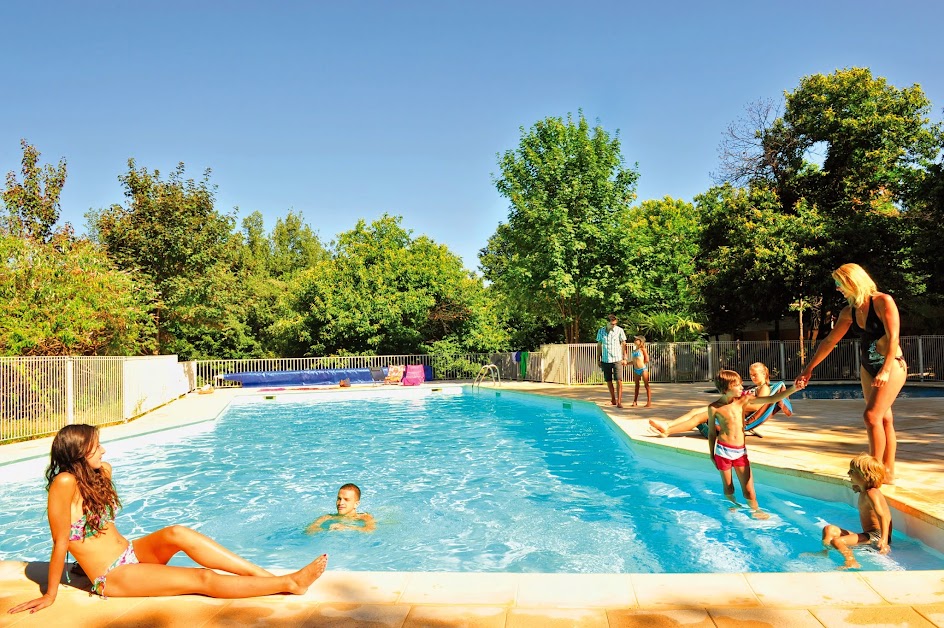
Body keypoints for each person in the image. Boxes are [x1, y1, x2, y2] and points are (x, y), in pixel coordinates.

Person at [8, 424, 328, 615]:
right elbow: (61, 541)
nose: (104, 451)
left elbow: (98, 529)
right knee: (200, 579)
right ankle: (289, 584)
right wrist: (50, 594)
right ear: (79, 452)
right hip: (113, 575)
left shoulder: (101, 473)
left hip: (131, 553)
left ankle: (265, 577)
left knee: (178, 532)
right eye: (96, 447)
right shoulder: (64, 483)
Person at [795, 263, 906, 483]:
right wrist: (808, 369)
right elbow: (829, 341)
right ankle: (888, 472)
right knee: (883, 419)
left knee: (871, 416)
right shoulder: (849, 311)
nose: (838, 288)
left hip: (891, 365)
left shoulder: (883, 301)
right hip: (868, 367)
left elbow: (894, 337)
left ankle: (873, 472)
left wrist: (884, 370)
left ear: (852, 281)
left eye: (839, 283)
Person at [707, 369, 804, 519]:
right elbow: (712, 432)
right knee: (728, 486)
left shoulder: (744, 401)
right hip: (722, 451)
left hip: (739, 452)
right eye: (738, 385)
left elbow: (772, 399)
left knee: (748, 489)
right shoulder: (714, 408)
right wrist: (711, 454)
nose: (742, 387)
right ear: (727, 388)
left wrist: (793, 389)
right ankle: (733, 505)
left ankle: (755, 510)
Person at [649, 362, 772, 437]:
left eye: (755, 374)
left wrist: (735, 404)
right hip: (732, 409)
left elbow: (757, 407)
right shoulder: (758, 387)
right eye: (751, 374)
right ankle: (667, 424)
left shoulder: (764, 388)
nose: (753, 377)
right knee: (695, 410)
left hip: (734, 414)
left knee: (699, 417)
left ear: (763, 373)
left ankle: (668, 431)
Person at [820, 453, 892, 569]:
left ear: (865, 475)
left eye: (852, 471)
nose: (848, 473)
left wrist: (884, 540)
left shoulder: (872, 493)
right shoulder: (865, 490)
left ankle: (851, 561)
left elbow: (883, 516)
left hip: (877, 535)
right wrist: (859, 487)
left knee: (838, 542)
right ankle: (824, 553)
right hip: (868, 534)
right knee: (829, 529)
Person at [306, 484, 376, 533]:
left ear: (356, 504)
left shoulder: (364, 517)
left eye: (346, 499)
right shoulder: (327, 517)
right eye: (339, 499)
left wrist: (346, 528)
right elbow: (309, 530)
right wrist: (327, 530)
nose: (340, 503)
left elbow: (370, 530)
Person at [595, 314, 628, 408]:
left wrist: (625, 357)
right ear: (607, 323)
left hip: (617, 358)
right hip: (606, 359)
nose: (613, 325)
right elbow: (599, 345)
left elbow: (624, 344)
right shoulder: (601, 331)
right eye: (612, 324)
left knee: (619, 380)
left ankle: (619, 401)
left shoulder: (619, 330)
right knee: (608, 380)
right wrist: (598, 359)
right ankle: (613, 399)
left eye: (615, 323)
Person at [630, 336, 652, 407]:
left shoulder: (643, 349)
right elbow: (633, 361)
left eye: (637, 339)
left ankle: (649, 402)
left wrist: (641, 363)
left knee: (646, 385)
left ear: (641, 341)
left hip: (642, 369)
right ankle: (635, 401)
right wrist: (627, 363)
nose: (635, 340)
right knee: (636, 386)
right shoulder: (634, 350)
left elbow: (647, 360)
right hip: (636, 370)